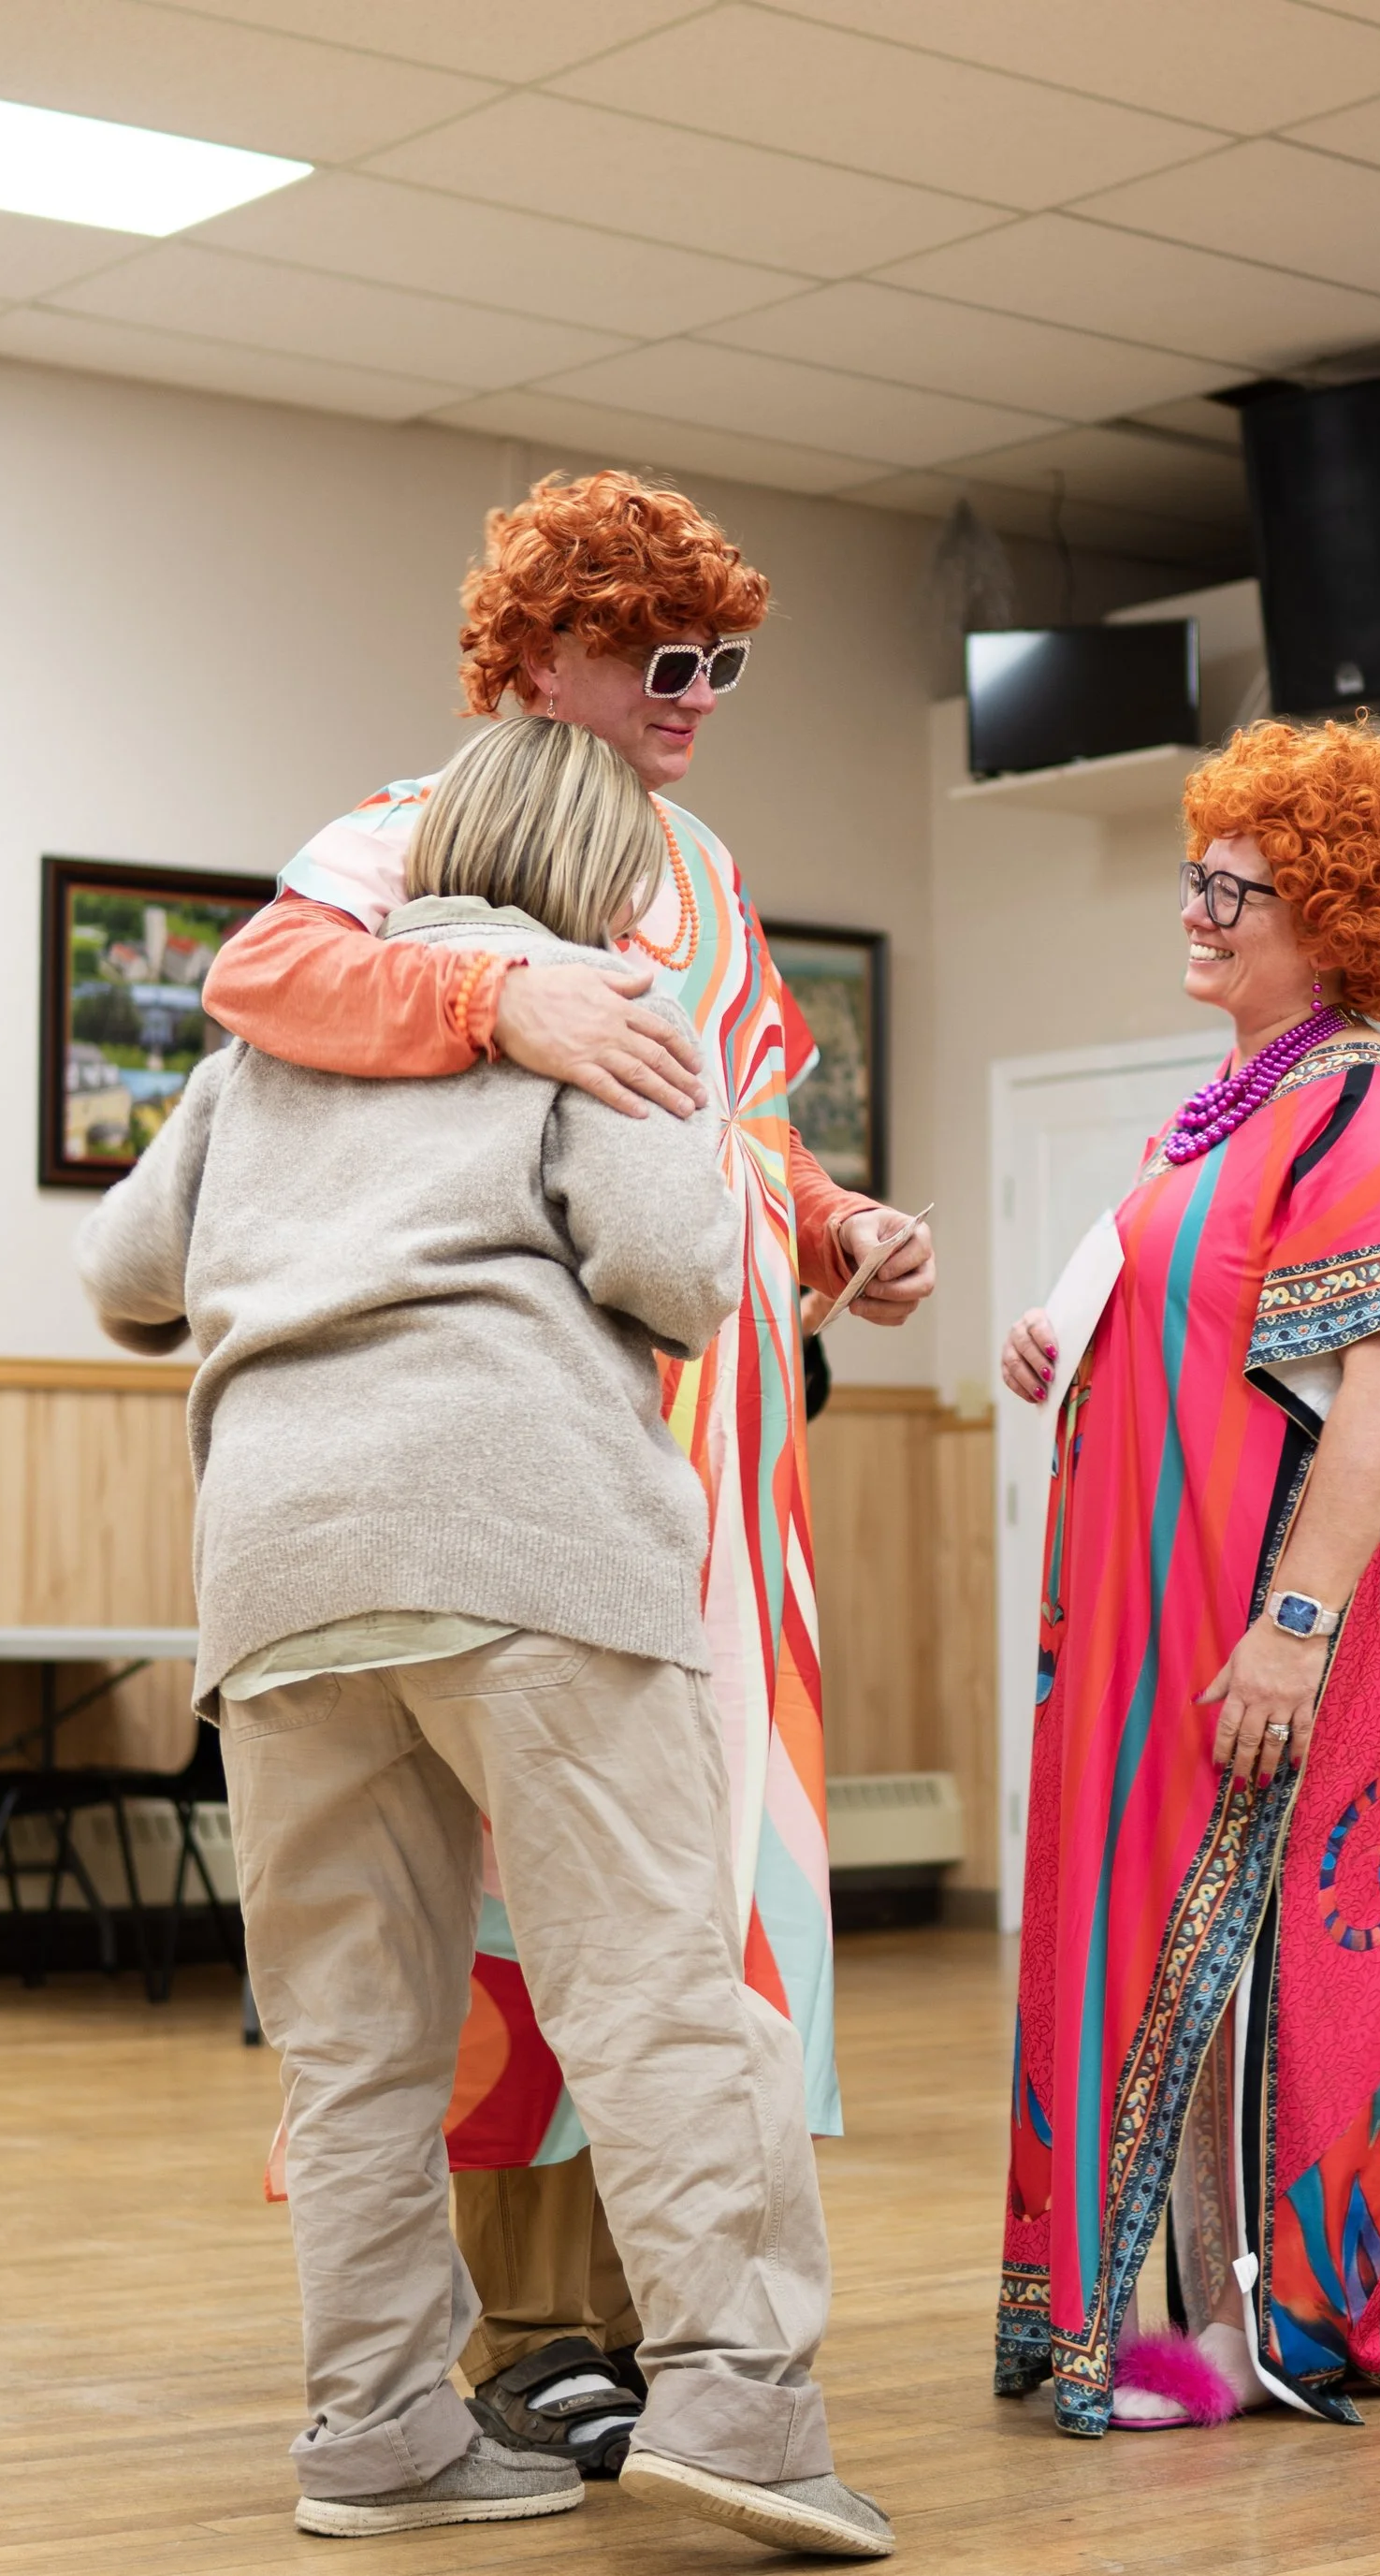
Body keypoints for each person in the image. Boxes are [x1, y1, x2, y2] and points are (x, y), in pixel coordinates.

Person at [78, 713, 893, 2558]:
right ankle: (739, 2403)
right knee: (663, 1988)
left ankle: (374, 2432)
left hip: (278, 1569)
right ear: (616, 878)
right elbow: (674, 1274)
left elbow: (122, 1273)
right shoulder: (606, 1009)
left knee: (358, 2041)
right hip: (523, 1535)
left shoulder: (279, 1037)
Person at [201, 469, 935, 2472]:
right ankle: (535, 2331)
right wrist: (487, 988)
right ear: (536, 652)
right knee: (526, 1911)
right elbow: (259, 982)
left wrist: (836, 1226)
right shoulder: (410, 832)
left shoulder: (703, 872)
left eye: (721, 661)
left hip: (706, 1441)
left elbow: (733, 1139)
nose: (695, 693)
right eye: (655, 655)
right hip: (520, 1425)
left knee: (689, 1896)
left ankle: (660, 2326)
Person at [993, 718, 1380, 2438]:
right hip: (1161, 1617)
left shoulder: (1376, 1107)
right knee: (1178, 1969)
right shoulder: (1234, 1104)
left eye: (1243, 891)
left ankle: (1245, 2335)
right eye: (1200, 877)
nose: (1201, 911)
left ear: (1336, 924)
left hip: (1274, 1622)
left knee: (1257, 1973)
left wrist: (1291, 1626)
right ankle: (1188, 2317)